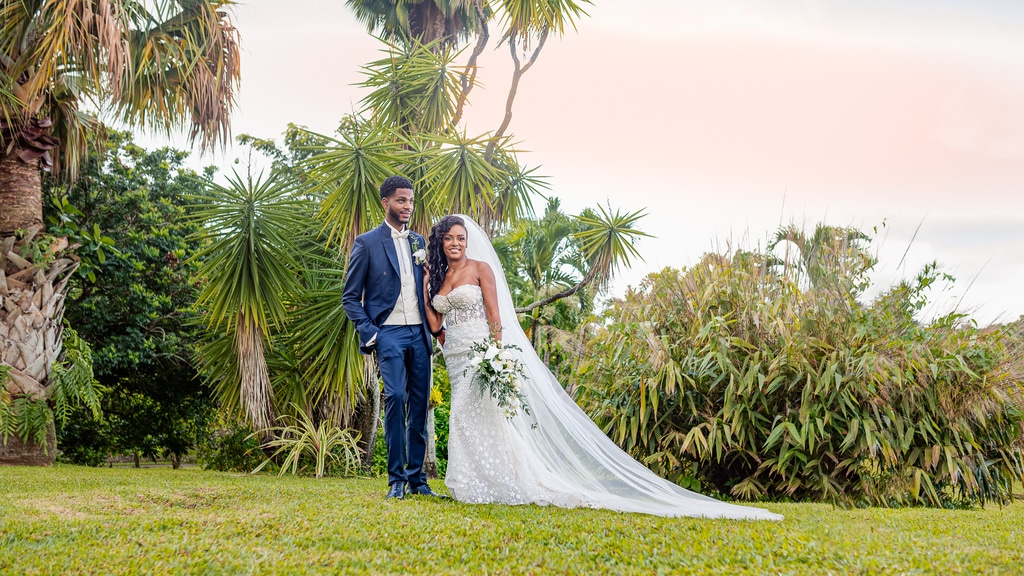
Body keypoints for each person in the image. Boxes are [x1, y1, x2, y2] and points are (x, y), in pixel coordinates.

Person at [423, 215, 782, 520]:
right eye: (450, 238)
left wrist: (497, 355)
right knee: (463, 415)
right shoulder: (437, 276)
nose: (456, 243)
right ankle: (469, 481)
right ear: (441, 242)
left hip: (484, 352)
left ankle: (502, 481)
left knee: (487, 415)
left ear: (468, 241)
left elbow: (495, 316)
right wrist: (427, 287)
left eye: (461, 238)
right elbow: (437, 324)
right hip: (455, 355)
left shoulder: (480, 269)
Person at [342, 175, 443, 500]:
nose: (407, 207)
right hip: (388, 334)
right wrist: (372, 332)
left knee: (418, 404)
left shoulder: (419, 243)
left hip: (419, 334)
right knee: (395, 398)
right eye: (401, 200)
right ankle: (396, 480)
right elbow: (350, 297)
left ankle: (418, 481)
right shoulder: (367, 243)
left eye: (410, 201)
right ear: (385, 202)